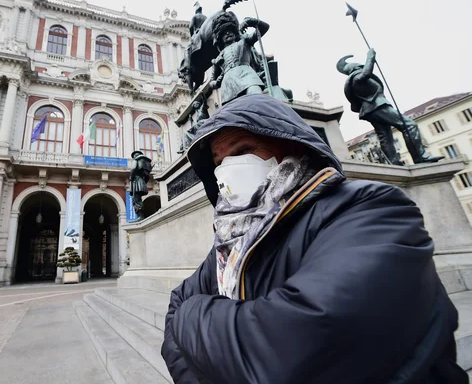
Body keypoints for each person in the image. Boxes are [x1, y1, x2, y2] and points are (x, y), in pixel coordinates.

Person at [161, 94, 466, 384]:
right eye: (218, 162)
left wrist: (190, 315)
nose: (227, 169)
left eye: (242, 150)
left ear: (291, 147)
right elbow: (174, 311)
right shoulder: (231, 240)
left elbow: (284, 353)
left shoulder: (373, 209)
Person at [337, 49, 443, 165]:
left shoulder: (355, 82)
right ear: (356, 69)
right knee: (409, 125)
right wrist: (370, 57)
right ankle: (421, 157)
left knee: (385, 137)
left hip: (371, 110)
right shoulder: (357, 79)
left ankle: (394, 164)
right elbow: (366, 73)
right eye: (360, 67)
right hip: (376, 107)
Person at [209, 12, 269, 105]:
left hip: (247, 75)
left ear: (235, 32)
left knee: (258, 100)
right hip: (229, 85)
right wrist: (216, 83)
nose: (228, 33)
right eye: (224, 33)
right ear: (220, 38)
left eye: (230, 30)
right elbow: (211, 82)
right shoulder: (217, 59)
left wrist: (250, 21)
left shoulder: (244, 41)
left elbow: (264, 28)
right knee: (234, 113)